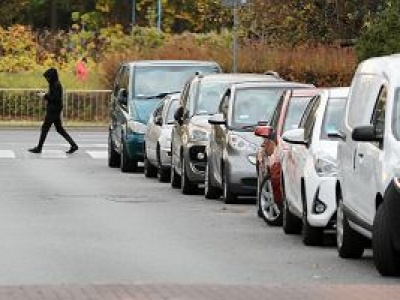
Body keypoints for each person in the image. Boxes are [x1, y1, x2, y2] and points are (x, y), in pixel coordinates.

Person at [28, 68, 78, 154]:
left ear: (52, 77)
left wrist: (44, 96)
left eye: (48, 77)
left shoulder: (56, 85)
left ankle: (39, 148)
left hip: (53, 110)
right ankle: (73, 145)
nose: (47, 79)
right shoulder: (54, 84)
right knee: (59, 129)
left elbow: (55, 99)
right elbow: (53, 97)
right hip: (55, 109)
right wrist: (45, 95)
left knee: (45, 128)